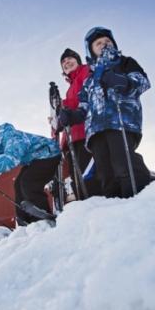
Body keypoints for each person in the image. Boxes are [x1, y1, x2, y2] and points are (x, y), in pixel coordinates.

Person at [58, 26, 151, 198]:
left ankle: (141, 199)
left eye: (107, 41)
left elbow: (142, 82)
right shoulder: (91, 78)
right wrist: (71, 115)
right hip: (96, 130)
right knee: (105, 173)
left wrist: (122, 81)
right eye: (98, 43)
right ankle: (113, 209)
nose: (104, 45)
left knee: (123, 163)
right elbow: (84, 106)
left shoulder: (123, 62)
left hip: (120, 120)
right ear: (91, 49)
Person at [59, 48, 103, 198]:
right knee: (77, 179)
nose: (66, 62)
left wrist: (63, 106)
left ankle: (97, 207)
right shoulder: (69, 88)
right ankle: (84, 212)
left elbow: (87, 96)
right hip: (73, 138)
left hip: (87, 134)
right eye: (63, 62)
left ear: (78, 60)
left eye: (70, 59)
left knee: (88, 176)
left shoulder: (86, 71)